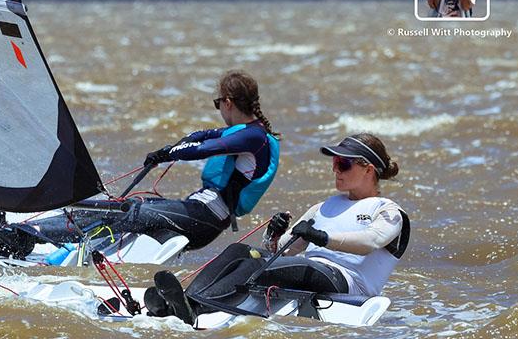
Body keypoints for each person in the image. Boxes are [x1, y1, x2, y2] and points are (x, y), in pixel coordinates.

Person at [0, 70, 281, 257]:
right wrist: (168, 149)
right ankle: (33, 230)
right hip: (199, 211)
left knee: (127, 214)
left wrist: (172, 154)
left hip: (206, 218)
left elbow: (209, 147)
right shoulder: (247, 133)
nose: (218, 109)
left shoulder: (254, 138)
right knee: (125, 207)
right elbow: (203, 136)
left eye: (218, 103)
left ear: (228, 102)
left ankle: (30, 238)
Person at [144, 133, 410, 325]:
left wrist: (322, 237)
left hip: (347, 283)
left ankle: (196, 308)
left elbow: (370, 241)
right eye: (334, 163)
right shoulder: (323, 207)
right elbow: (285, 248)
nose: (335, 170)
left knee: (265, 267)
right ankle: (185, 301)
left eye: (343, 164)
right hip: (310, 269)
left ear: (368, 169)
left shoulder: (388, 212)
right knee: (241, 251)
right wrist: (274, 235)